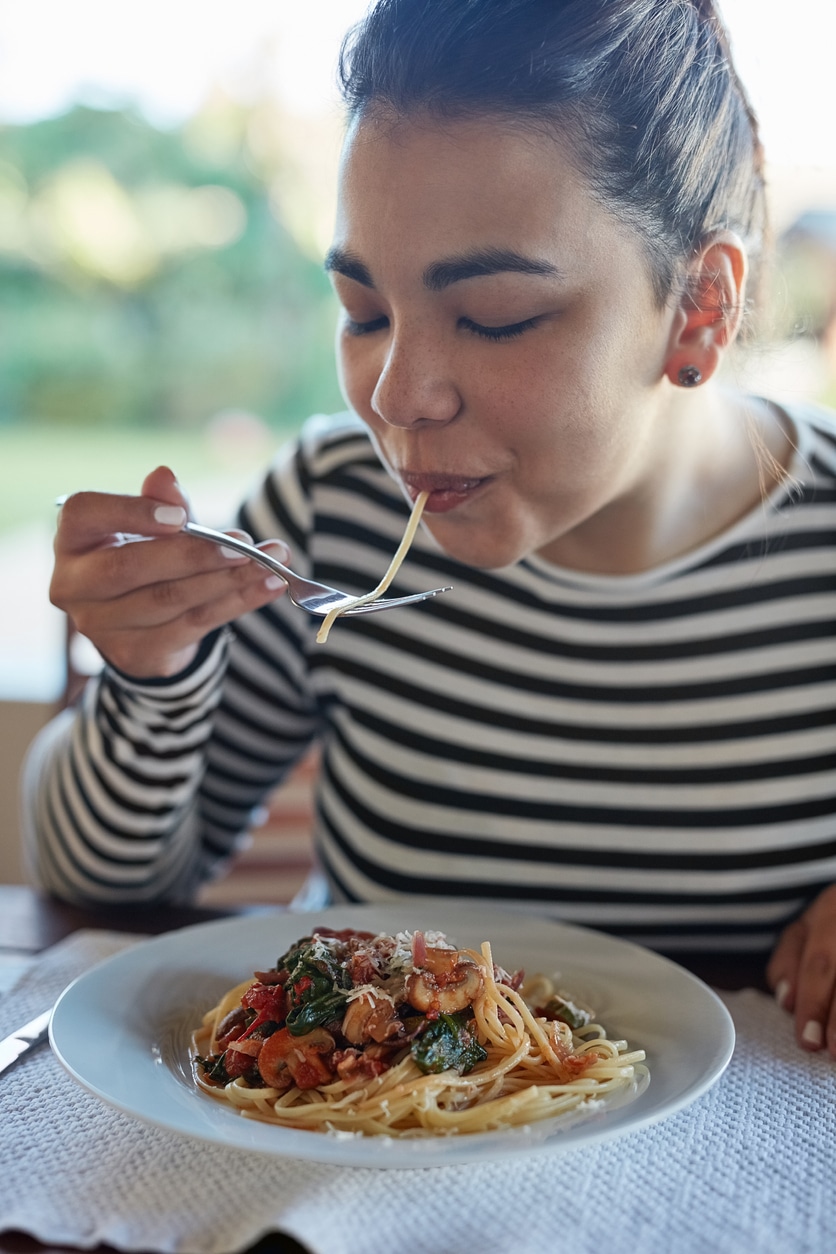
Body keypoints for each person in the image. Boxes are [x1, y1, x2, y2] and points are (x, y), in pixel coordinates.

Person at [21, 0, 836, 1058]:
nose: (397, 399)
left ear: (696, 310)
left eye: (494, 315)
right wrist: (153, 678)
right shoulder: (334, 510)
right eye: (363, 311)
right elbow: (96, 885)